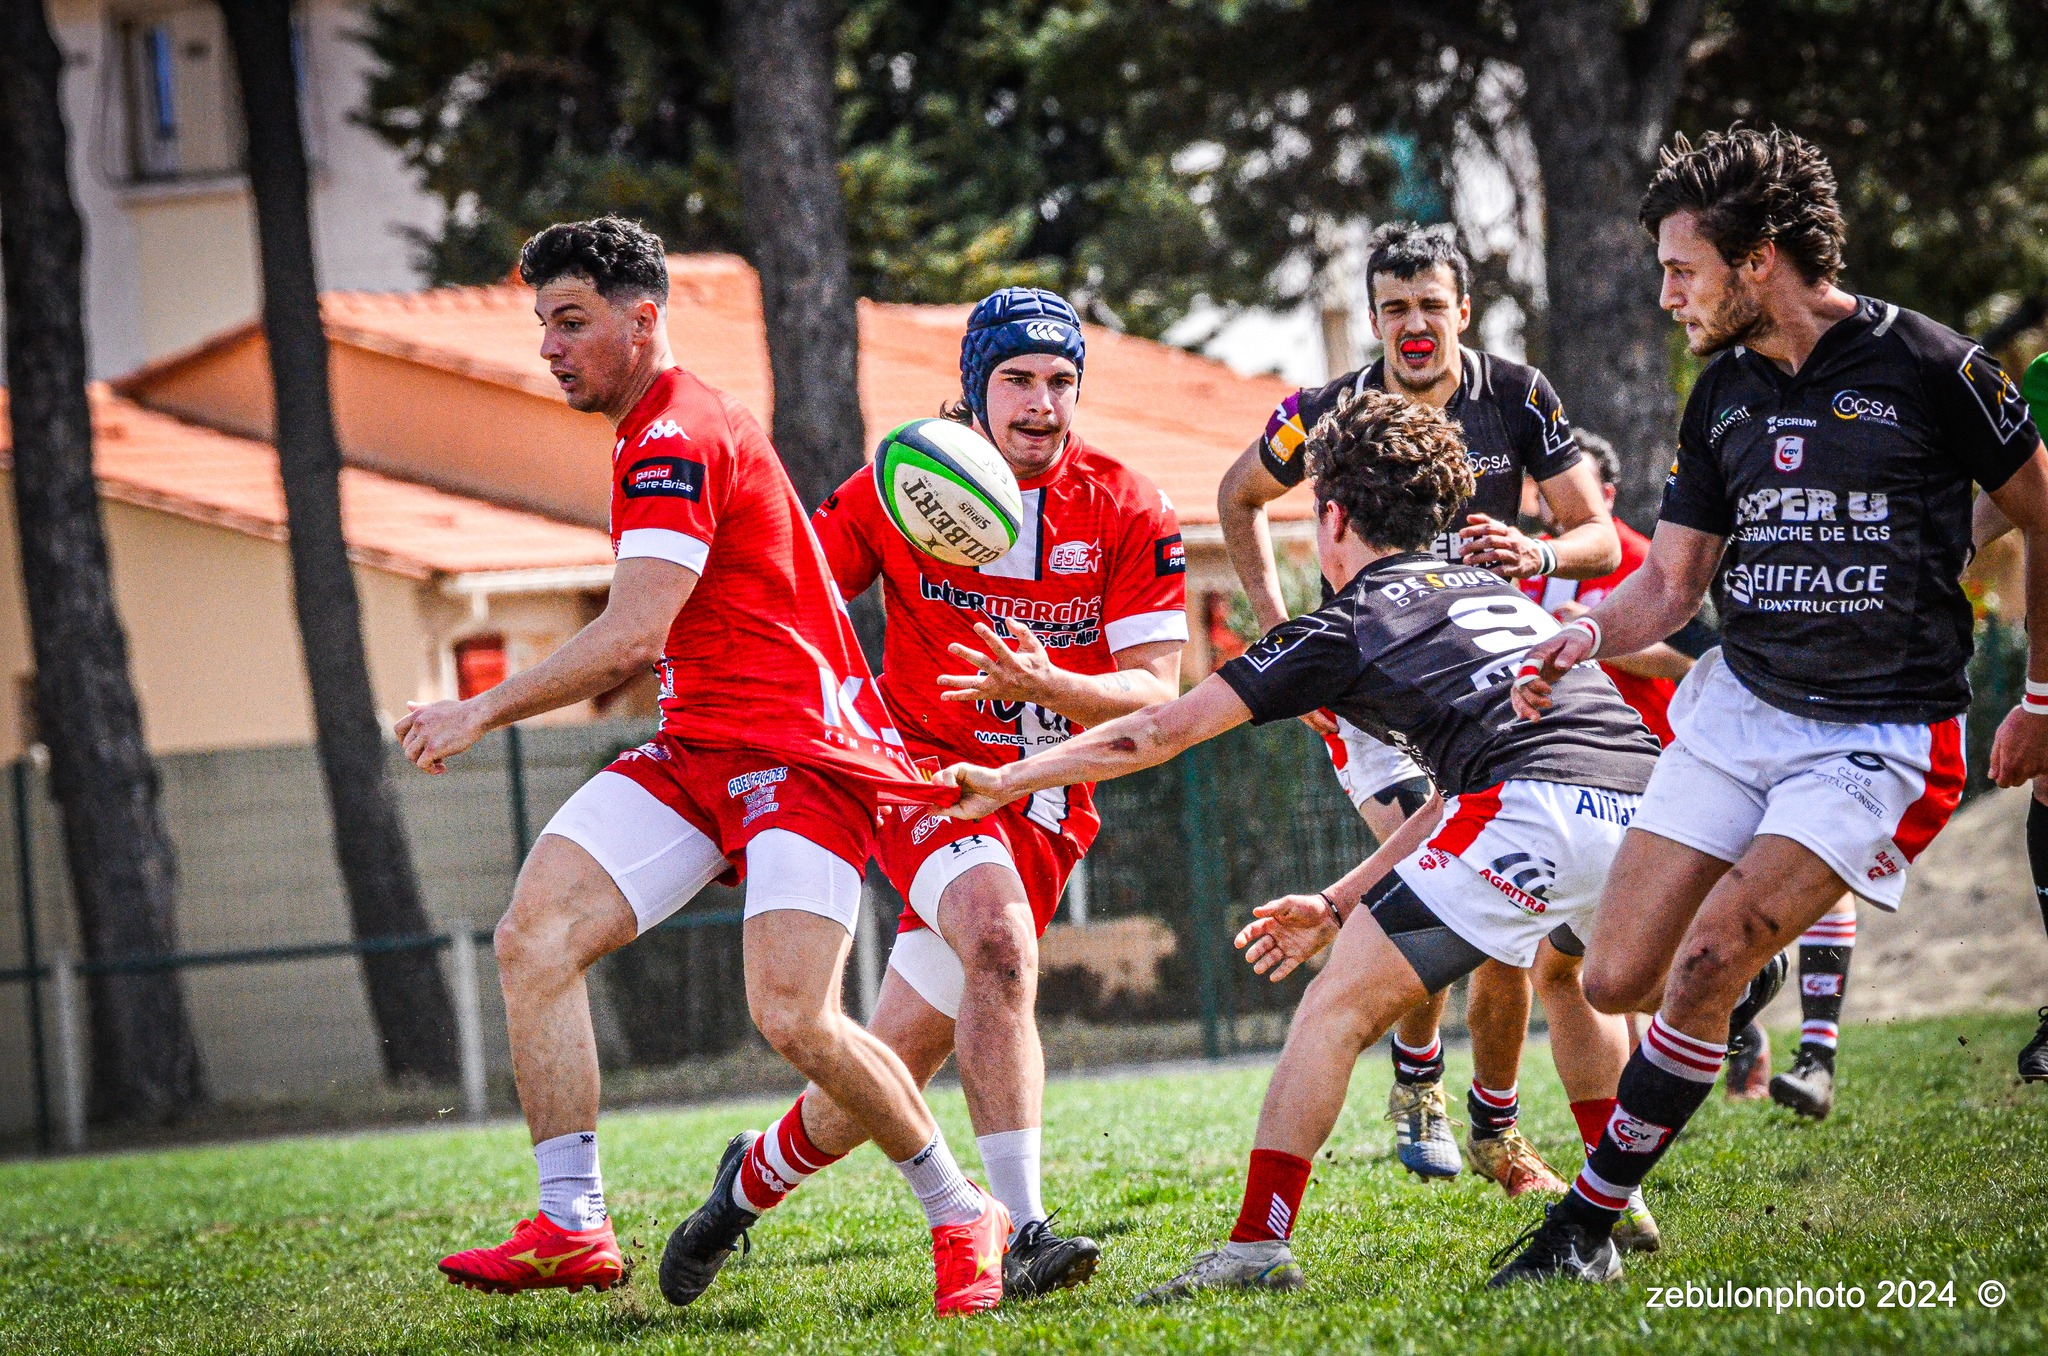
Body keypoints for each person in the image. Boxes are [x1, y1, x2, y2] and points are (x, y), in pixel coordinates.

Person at [397, 217, 1010, 1316]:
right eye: (543, 323)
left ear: (643, 320)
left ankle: (963, 1211)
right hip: (699, 751)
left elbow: (633, 633)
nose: (549, 347)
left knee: (793, 1018)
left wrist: (477, 709)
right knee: (532, 938)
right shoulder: (648, 434)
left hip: (802, 758)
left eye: (571, 321)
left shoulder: (676, 434)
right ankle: (571, 1222)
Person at [938, 387, 1671, 1299]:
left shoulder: (1346, 621)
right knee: (1566, 974)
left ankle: (1256, 1245)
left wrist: (1007, 780)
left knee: (1335, 1013)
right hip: (1649, 808)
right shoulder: (1496, 590)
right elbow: (1455, 800)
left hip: (1531, 809)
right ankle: (1617, 1204)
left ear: (1331, 519)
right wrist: (1338, 900)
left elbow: (1159, 730)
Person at [1489, 127, 2048, 1286]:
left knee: (1697, 968)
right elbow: (1668, 584)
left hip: (1880, 735)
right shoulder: (1722, 396)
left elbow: (2045, 516)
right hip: (1739, 708)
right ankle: (1743, 970)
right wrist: (1581, 632)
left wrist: (2041, 696)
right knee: (1609, 978)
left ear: (1755, 262)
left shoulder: (1938, 369)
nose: (1661, 294)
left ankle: (1581, 1230)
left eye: (1678, 267)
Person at [660, 287, 1187, 1303]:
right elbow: (794, 597)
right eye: (1018, 381)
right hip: (919, 771)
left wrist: (1050, 686)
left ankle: (743, 1186)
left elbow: (1153, 692)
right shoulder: (905, 481)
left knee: (888, 1059)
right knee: (998, 941)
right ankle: (1025, 1230)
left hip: (1041, 796)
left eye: (1060, 382)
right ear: (973, 391)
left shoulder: (1126, 504)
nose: (1041, 404)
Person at [1217, 222, 1624, 1193]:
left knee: (1510, 931)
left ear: (1461, 311)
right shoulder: (1322, 412)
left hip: (1495, 690)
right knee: (1424, 860)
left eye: (1428, 306)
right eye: (1393, 308)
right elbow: (1236, 497)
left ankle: (1491, 1120)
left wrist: (1536, 556)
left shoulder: (1517, 395)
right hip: (1375, 692)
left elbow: (1598, 537)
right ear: (1370, 318)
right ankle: (1417, 1083)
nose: (1412, 325)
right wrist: (1276, 628)